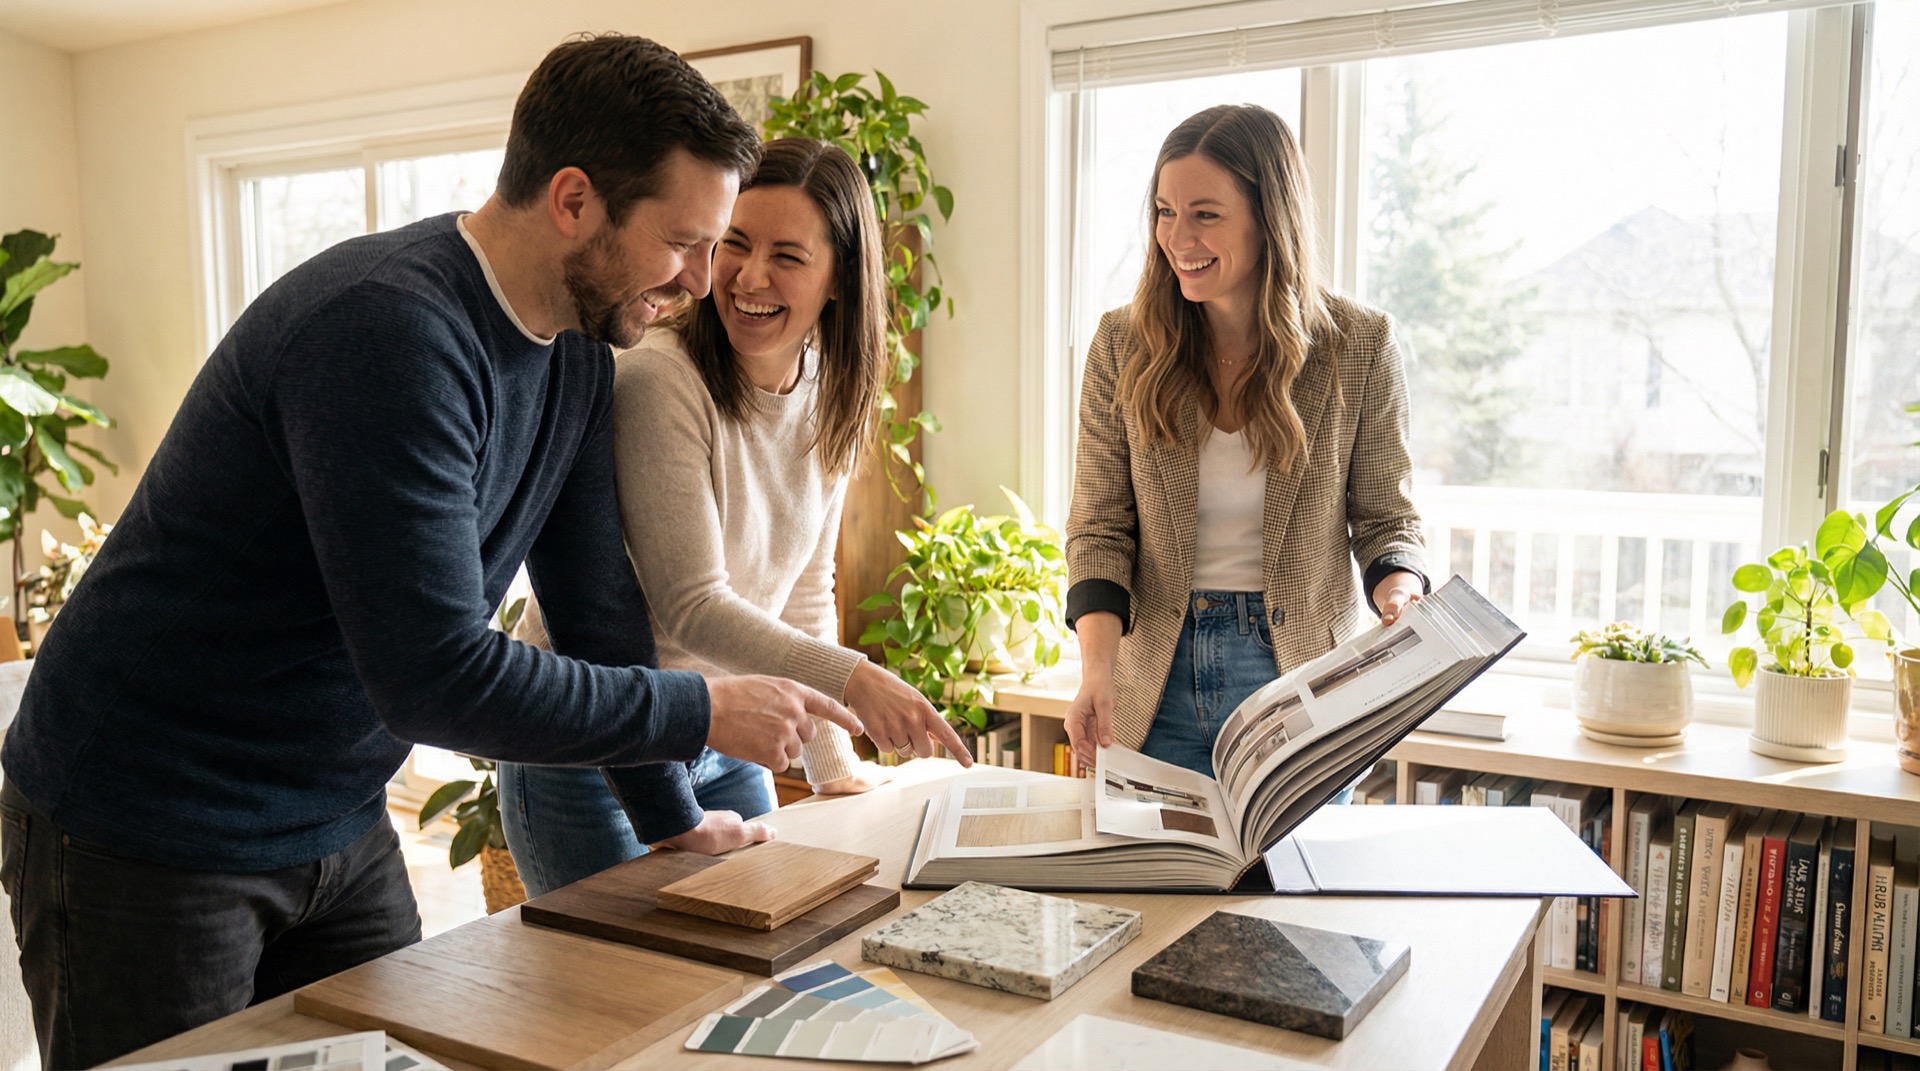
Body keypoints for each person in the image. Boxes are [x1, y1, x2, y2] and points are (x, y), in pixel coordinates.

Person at [0, 35, 876, 1069]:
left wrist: (670, 818)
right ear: (573, 201)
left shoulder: (583, 355)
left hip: (335, 811)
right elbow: (434, 674)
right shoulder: (387, 332)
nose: (700, 281)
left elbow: (596, 610)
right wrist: (702, 709)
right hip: (150, 819)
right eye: (684, 242)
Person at [498, 138, 969, 896]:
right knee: (626, 999)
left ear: (839, 278)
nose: (750, 277)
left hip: (725, 733)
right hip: (594, 748)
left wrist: (834, 767)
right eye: (736, 245)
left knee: (752, 975)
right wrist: (857, 681)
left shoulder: (829, 389)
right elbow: (692, 605)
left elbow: (807, 591)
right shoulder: (659, 377)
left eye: (788, 255)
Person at [1063, 103, 1429, 779]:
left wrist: (1399, 591)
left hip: (1303, 685)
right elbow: (1098, 528)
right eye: (1165, 212)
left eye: (1205, 213)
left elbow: (1387, 518)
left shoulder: (1360, 344)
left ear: (1269, 217)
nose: (1178, 236)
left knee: (1281, 887)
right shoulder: (1123, 343)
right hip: (1151, 683)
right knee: (1150, 883)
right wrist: (1096, 670)